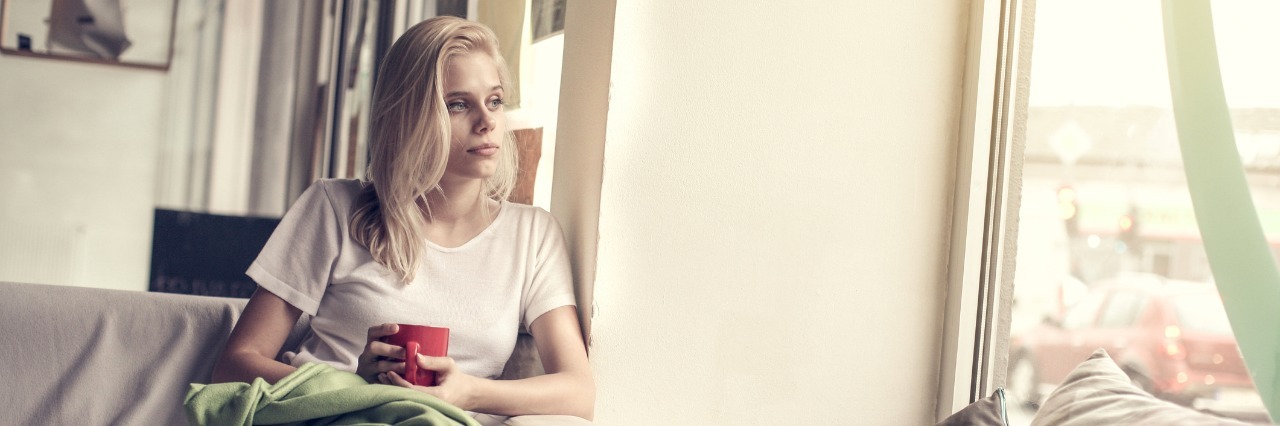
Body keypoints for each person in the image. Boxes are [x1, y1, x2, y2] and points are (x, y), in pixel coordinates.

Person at [210, 16, 595, 421]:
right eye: (458, 104)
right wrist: (353, 386)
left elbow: (578, 391)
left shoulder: (532, 235)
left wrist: (468, 392)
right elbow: (234, 365)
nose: (487, 121)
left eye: (495, 100)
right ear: (410, 115)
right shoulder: (334, 207)